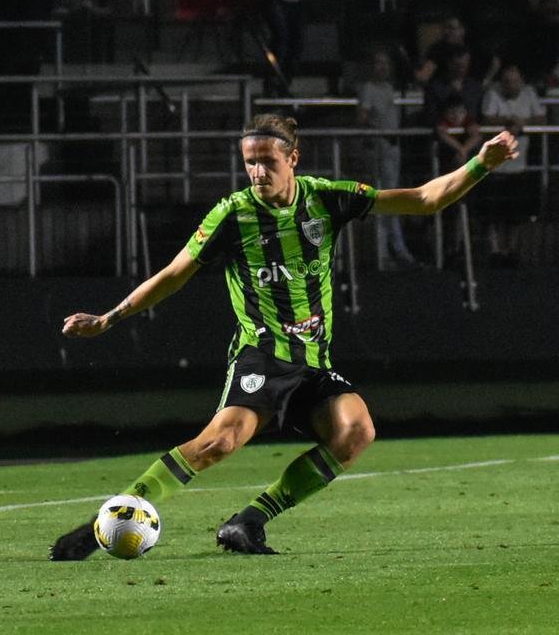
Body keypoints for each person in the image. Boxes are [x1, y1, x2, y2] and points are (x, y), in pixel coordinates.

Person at [49, 113, 518, 559]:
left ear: (292, 159)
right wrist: (110, 317)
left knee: (357, 430)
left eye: (266, 161)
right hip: (261, 355)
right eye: (249, 162)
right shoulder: (232, 215)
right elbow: (174, 274)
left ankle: (249, 521)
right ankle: (109, 520)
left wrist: (481, 163)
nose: (256, 171)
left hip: (313, 359)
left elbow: (424, 199)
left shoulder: (326, 199)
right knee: (220, 443)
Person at [356, 48, 418, 268]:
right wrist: (379, 133)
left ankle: (397, 249)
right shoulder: (368, 88)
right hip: (379, 149)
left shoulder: (390, 88)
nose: (383, 68)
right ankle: (384, 253)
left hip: (392, 149)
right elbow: (362, 117)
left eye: (386, 63)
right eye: (378, 63)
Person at [480, 63, 546, 262]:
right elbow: (487, 118)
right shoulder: (493, 95)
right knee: (494, 214)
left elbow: (541, 118)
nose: (512, 85)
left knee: (515, 214)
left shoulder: (529, 94)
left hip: (519, 165)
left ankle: (511, 250)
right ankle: (495, 250)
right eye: (507, 82)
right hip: (495, 166)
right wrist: (508, 123)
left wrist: (522, 124)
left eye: (515, 81)